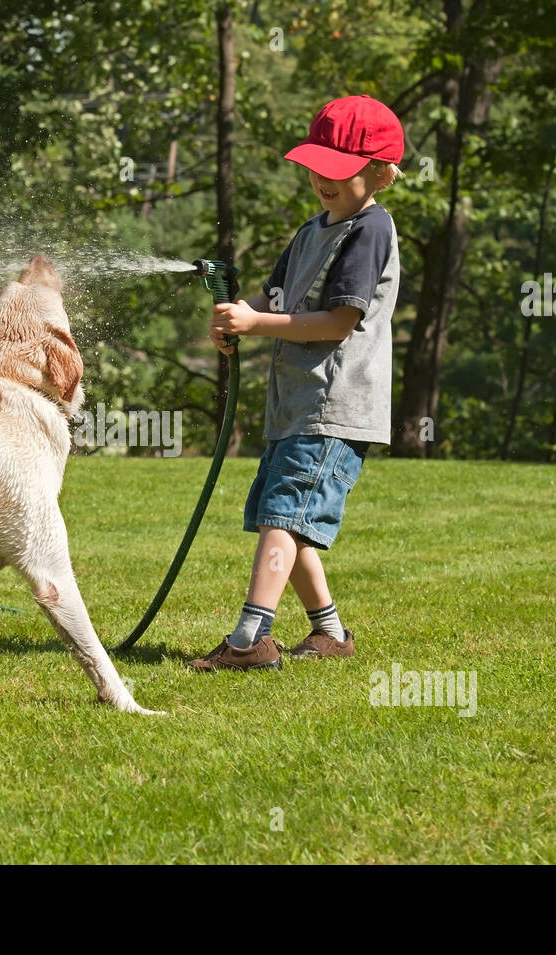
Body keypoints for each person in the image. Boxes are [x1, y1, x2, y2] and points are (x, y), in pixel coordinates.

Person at [190, 94, 404, 672]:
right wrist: (240, 315)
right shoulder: (312, 231)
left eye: (338, 168)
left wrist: (257, 324)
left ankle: (248, 641)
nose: (321, 178)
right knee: (285, 515)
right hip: (297, 404)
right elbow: (275, 299)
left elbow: (339, 320)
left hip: (334, 405)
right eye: (315, 165)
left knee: (286, 517)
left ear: (381, 172)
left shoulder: (370, 231)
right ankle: (329, 634)